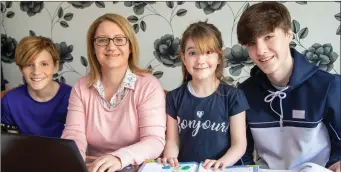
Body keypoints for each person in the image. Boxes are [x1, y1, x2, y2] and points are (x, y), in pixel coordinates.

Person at [236, 2, 340, 172]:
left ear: (288, 34)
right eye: (251, 43)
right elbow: (241, 153)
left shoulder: (329, 86)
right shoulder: (244, 93)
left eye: (268, 37)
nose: (261, 50)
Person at [61, 13, 166, 172]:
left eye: (119, 39)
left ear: (130, 46)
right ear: (94, 48)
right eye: (102, 40)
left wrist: (119, 158)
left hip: (137, 168)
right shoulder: (81, 87)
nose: (111, 47)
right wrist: (75, 159)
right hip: (94, 168)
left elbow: (154, 140)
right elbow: (74, 134)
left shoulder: (148, 86)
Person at [158, 21, 249, 171]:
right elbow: (172, 141)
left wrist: (223, 162)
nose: (200, 60)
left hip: (222, 168)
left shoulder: (234, 97)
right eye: (193, 53)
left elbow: (239, 144)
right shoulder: (174, 98)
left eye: (208, 52)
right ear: (183, 57)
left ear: (219, 56)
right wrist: (170, 158)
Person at [1, 36, 72, 138]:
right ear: (21, 69)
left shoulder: (73, 97)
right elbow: (12, 145)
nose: (36, 72)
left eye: (44, 64)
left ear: (56, 66)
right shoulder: (10, 101)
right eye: (29, 64)